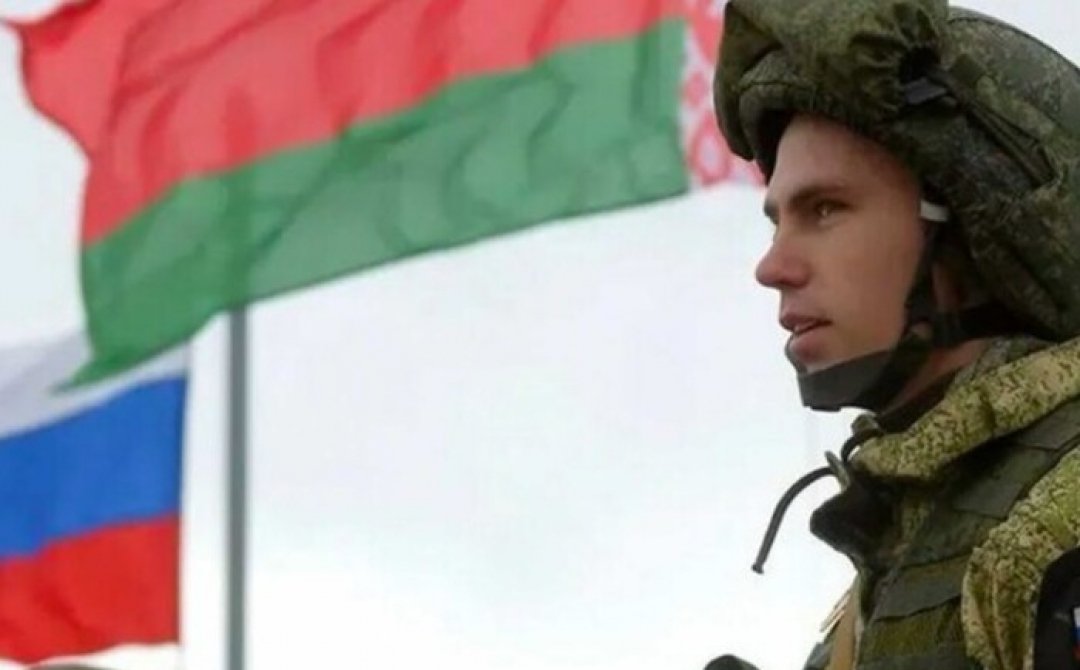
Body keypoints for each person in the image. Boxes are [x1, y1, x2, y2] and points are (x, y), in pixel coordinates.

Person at [707, 1, 1080, 668]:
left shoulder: (1055, 524)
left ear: (970, 228)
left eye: (825, 209)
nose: (772, 266)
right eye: (776, 221)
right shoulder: (904, 546)